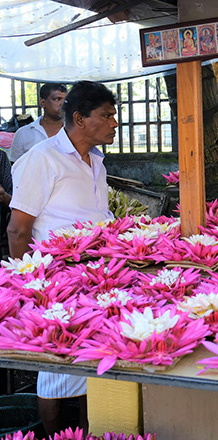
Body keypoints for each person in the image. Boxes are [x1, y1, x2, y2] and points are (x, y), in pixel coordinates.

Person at [7, 81, 117, 435]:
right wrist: (30, 284)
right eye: (107, 115)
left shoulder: (96, 161)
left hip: (96, 279)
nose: (114, 123)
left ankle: (86, 429)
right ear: (80, 119)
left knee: (91, 363)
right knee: (55, 368)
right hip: (55, 283)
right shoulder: (42, 159)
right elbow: (18, 229)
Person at [9, 83, 67, 163]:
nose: (62, 104)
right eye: (57, 99)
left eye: (65, 100)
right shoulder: (23, 134)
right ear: (42, 103)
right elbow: (15, 167)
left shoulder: (73, 132)